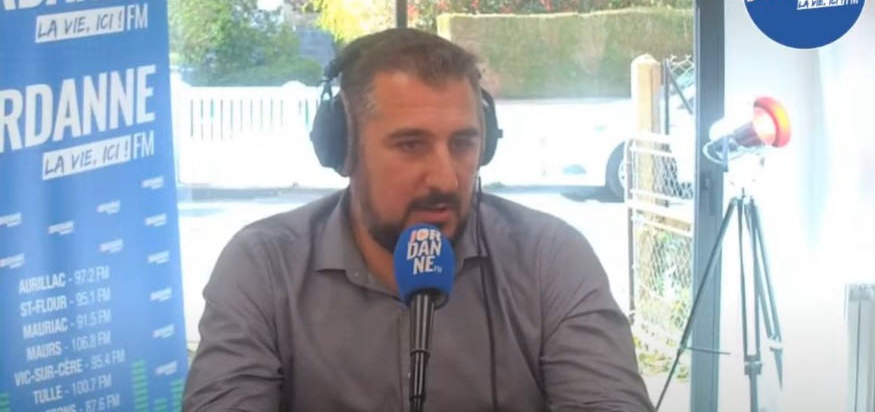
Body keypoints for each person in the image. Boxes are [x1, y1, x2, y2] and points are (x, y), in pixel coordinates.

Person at [182, 28, 655, 412]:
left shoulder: (549, 258)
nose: (445, 177)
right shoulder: (264, 266)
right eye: (411, 145)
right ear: (344, 149)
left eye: (463, 144)